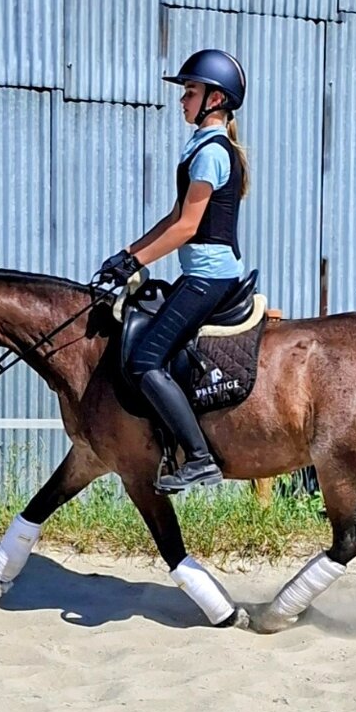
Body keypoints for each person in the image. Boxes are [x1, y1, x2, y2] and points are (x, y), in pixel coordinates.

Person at [95, 48, 252, 495]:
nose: (183, 101)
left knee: (145, 360)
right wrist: (127, 253)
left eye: (190, 92)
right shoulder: (202, 147)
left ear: (215, 100)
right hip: (200, 273)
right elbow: (173, 216)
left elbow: (187, 227)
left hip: (209, 277)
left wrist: (138, 261)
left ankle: (200, 458)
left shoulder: (212, 154)